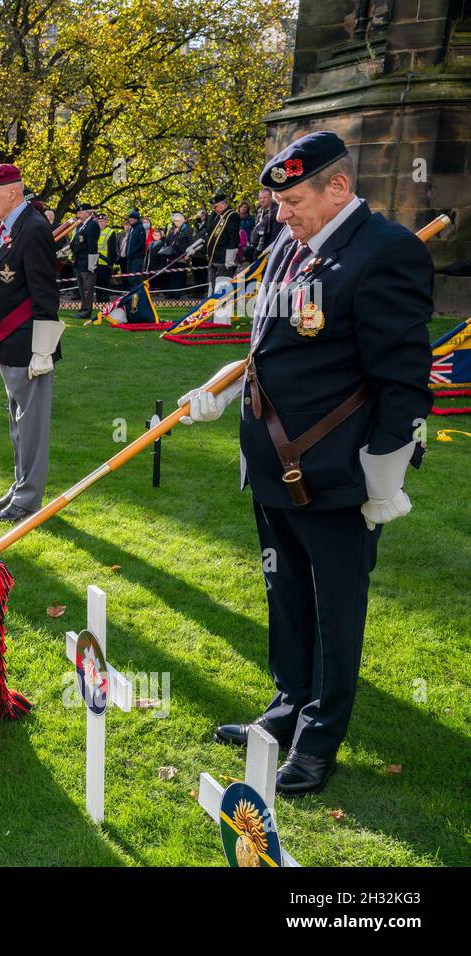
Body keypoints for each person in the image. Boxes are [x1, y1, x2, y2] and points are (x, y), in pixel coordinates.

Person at [177, 132, 433, 797]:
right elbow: (271, 348)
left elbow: (403, 379)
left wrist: (386, 475)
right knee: (285, 594)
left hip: (339, 473)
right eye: (279, 201)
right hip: (272, 465)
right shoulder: (291, 248)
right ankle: (289, 706)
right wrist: (222, 389)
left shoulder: (386, 254)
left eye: (293, 200)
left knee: (335, 609)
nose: (281, 213)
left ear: (338, 189)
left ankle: (319, 738)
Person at [0, 164, 61, 523]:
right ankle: (19, 486)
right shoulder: (6, 230)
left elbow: (46, 294)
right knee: (18, 423)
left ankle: (27, 501)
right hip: (9, 343)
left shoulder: (34, 229)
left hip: (29, 346)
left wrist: (44, 349)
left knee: (32, 426)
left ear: (13, 192)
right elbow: (1, 284)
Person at [203, 192, 241, 293]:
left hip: (223, 259)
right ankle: (211, 306)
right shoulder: (215, 216)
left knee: (221, 287)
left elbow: (234, 238)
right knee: (212, 286)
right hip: (212, 258)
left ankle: (222, 307)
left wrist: (230, 258)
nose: (213, 209)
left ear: (224, 204)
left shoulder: (232, 215)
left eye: (215, 206)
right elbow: (209, 233)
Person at [69, 202, 99, 321]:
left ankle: (86, 311)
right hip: (79, 260)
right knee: (82, 288)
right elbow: (76, 242)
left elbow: (92, 245)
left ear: (88, 213)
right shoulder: (82, 225)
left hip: (87, 261)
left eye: (80, 212)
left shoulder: (92, 225)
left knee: (88, 288)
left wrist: (92, 263)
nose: (78, 214)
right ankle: (83, 309)